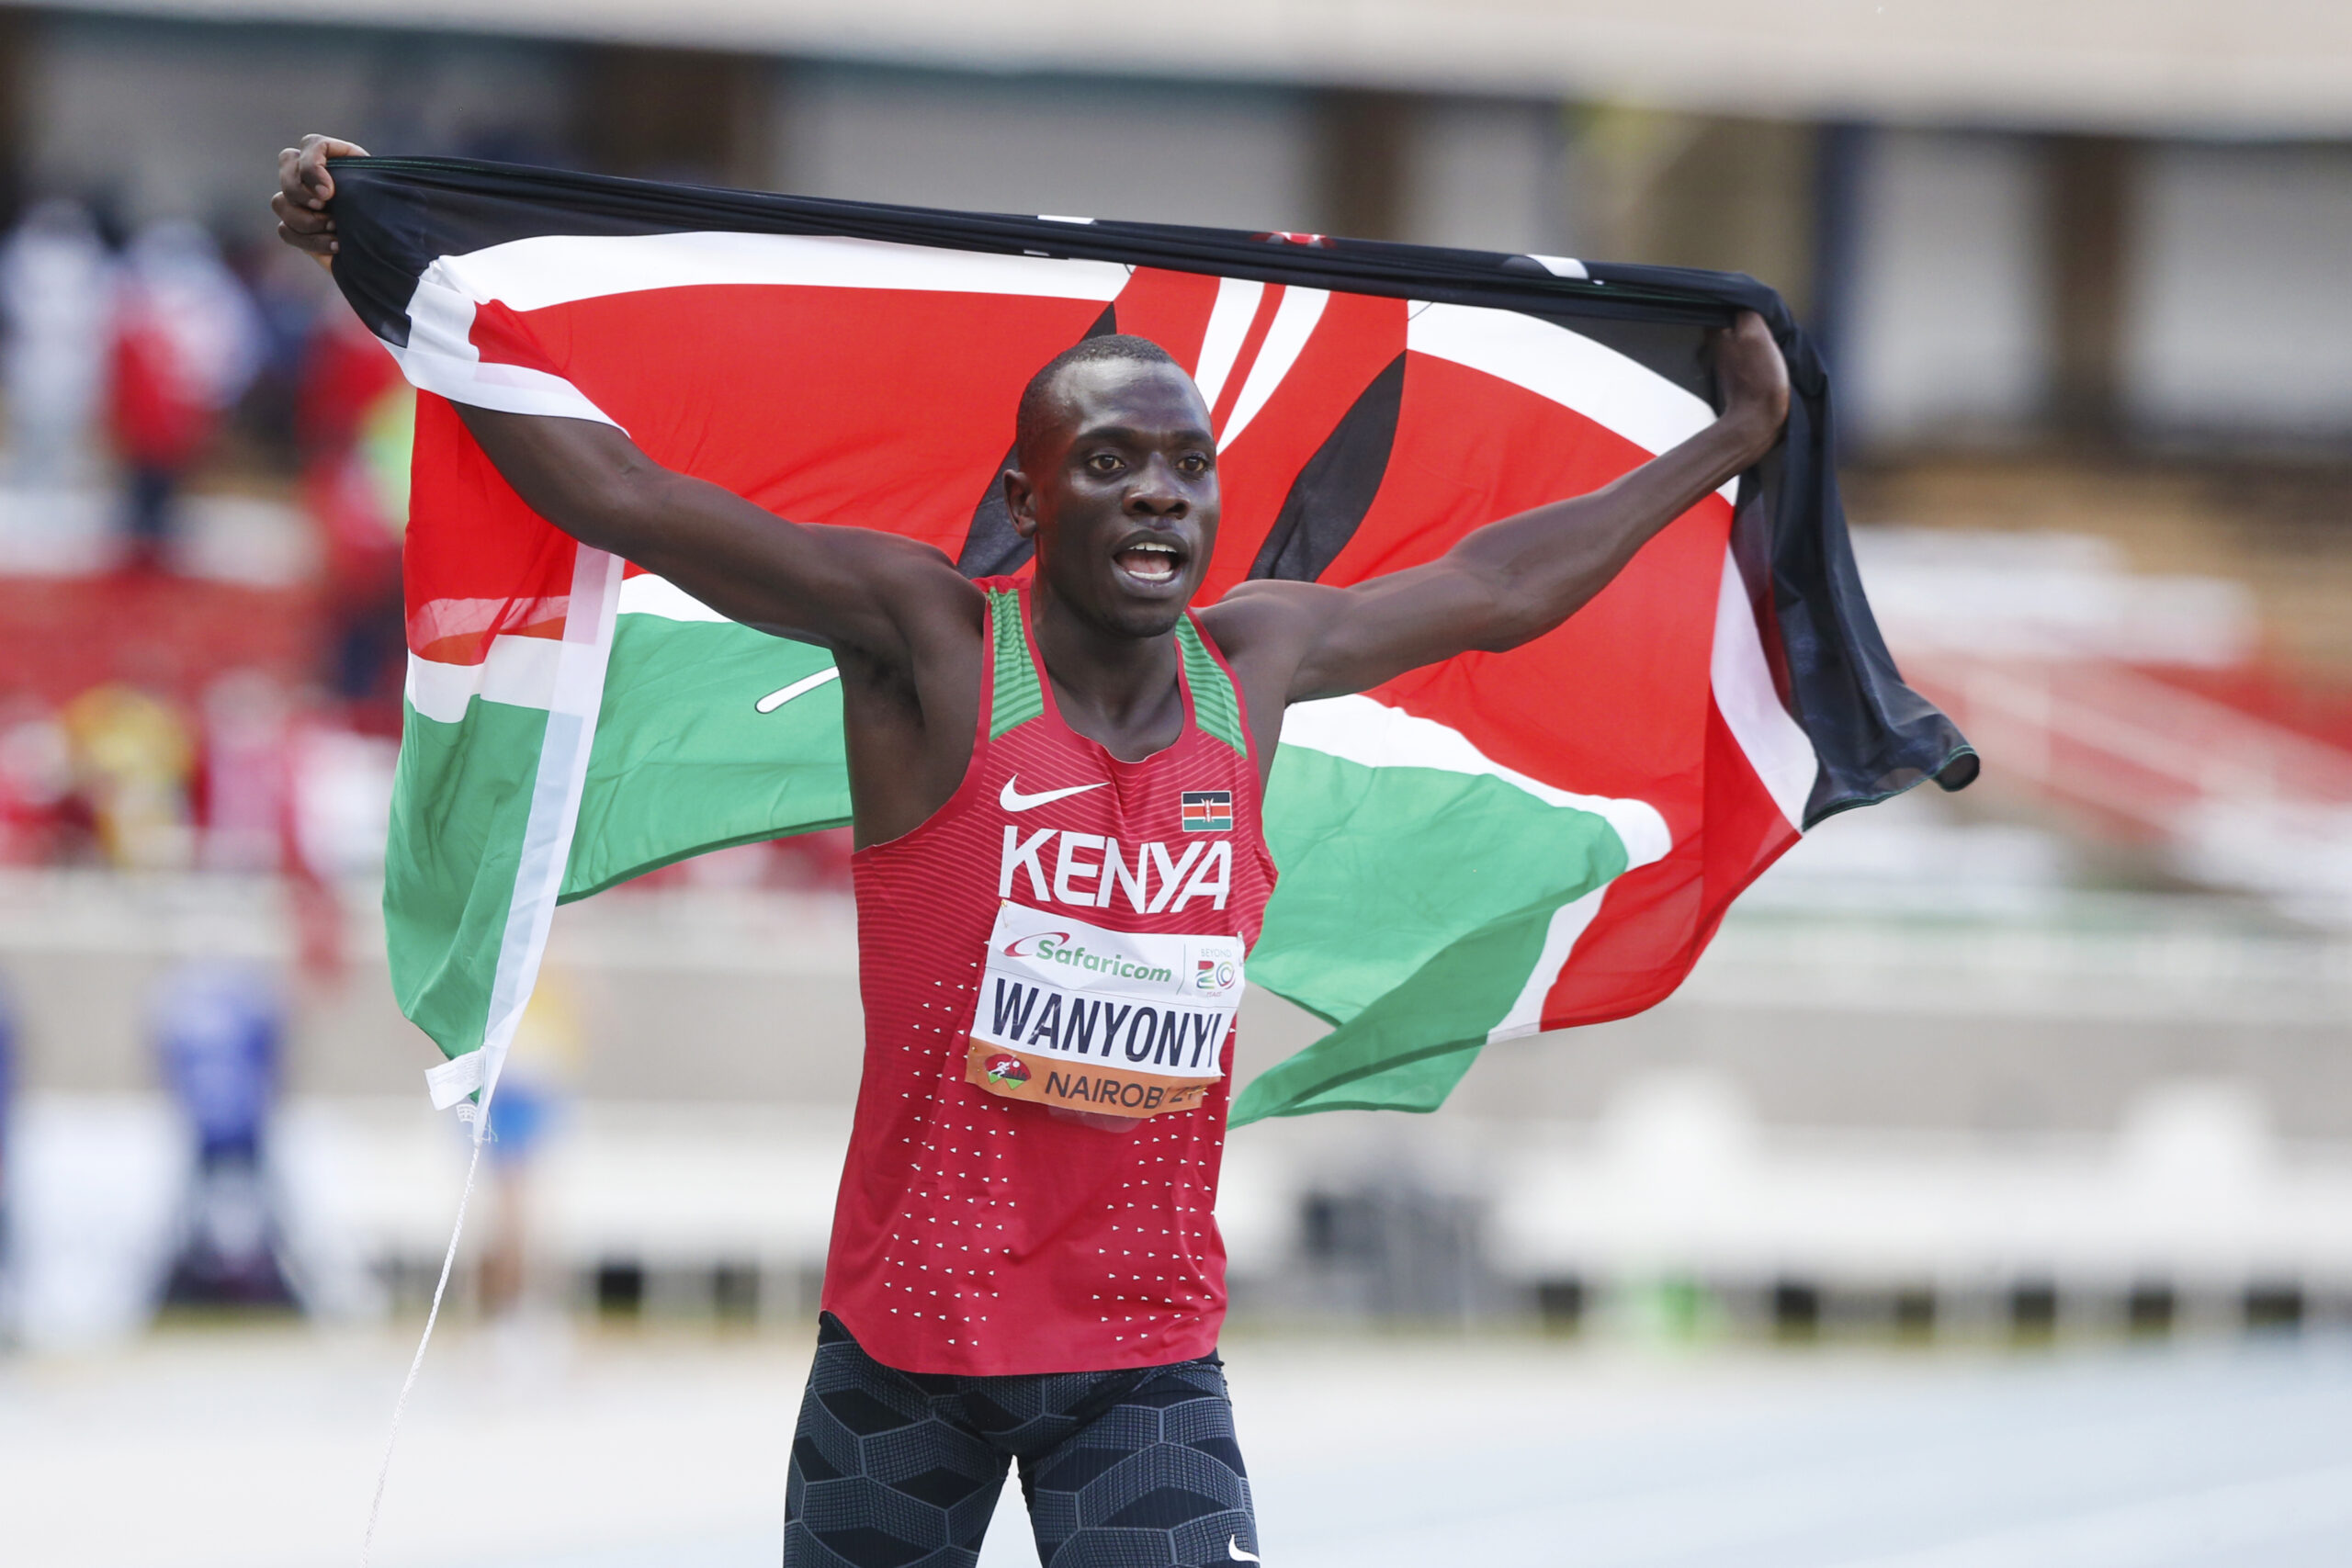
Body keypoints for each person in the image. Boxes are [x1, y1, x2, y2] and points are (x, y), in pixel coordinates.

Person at [277, 134, 1791, 1568]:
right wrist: (398, 271)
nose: (1159, 493)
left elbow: (1498, 582)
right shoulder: (928, 646)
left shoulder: (1254, 663)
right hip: (906, 1353)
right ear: (1026, 499)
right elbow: (625, 496)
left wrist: (1724, 443)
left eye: (1188, 468)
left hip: (1142, 1353)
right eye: (1113, 462)